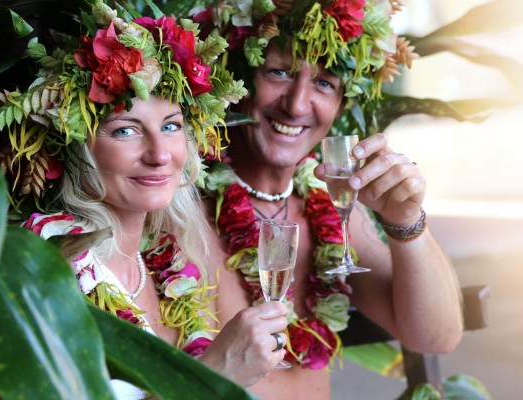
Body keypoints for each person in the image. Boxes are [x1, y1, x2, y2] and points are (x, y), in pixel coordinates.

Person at [0, 2, 288, 397]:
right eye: (127, 131)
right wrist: (218, 373)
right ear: (79, 146)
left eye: (170, 126)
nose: (160, 154)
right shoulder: (44, 271)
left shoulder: (165, 263)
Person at [192, 0, 464, 398]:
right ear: (240, 79)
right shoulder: (178, 207)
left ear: (339, 105)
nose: (297, 104)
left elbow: (436, 336)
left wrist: (406, 222)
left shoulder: (330, 210)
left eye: (324, 82)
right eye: (279, 72)